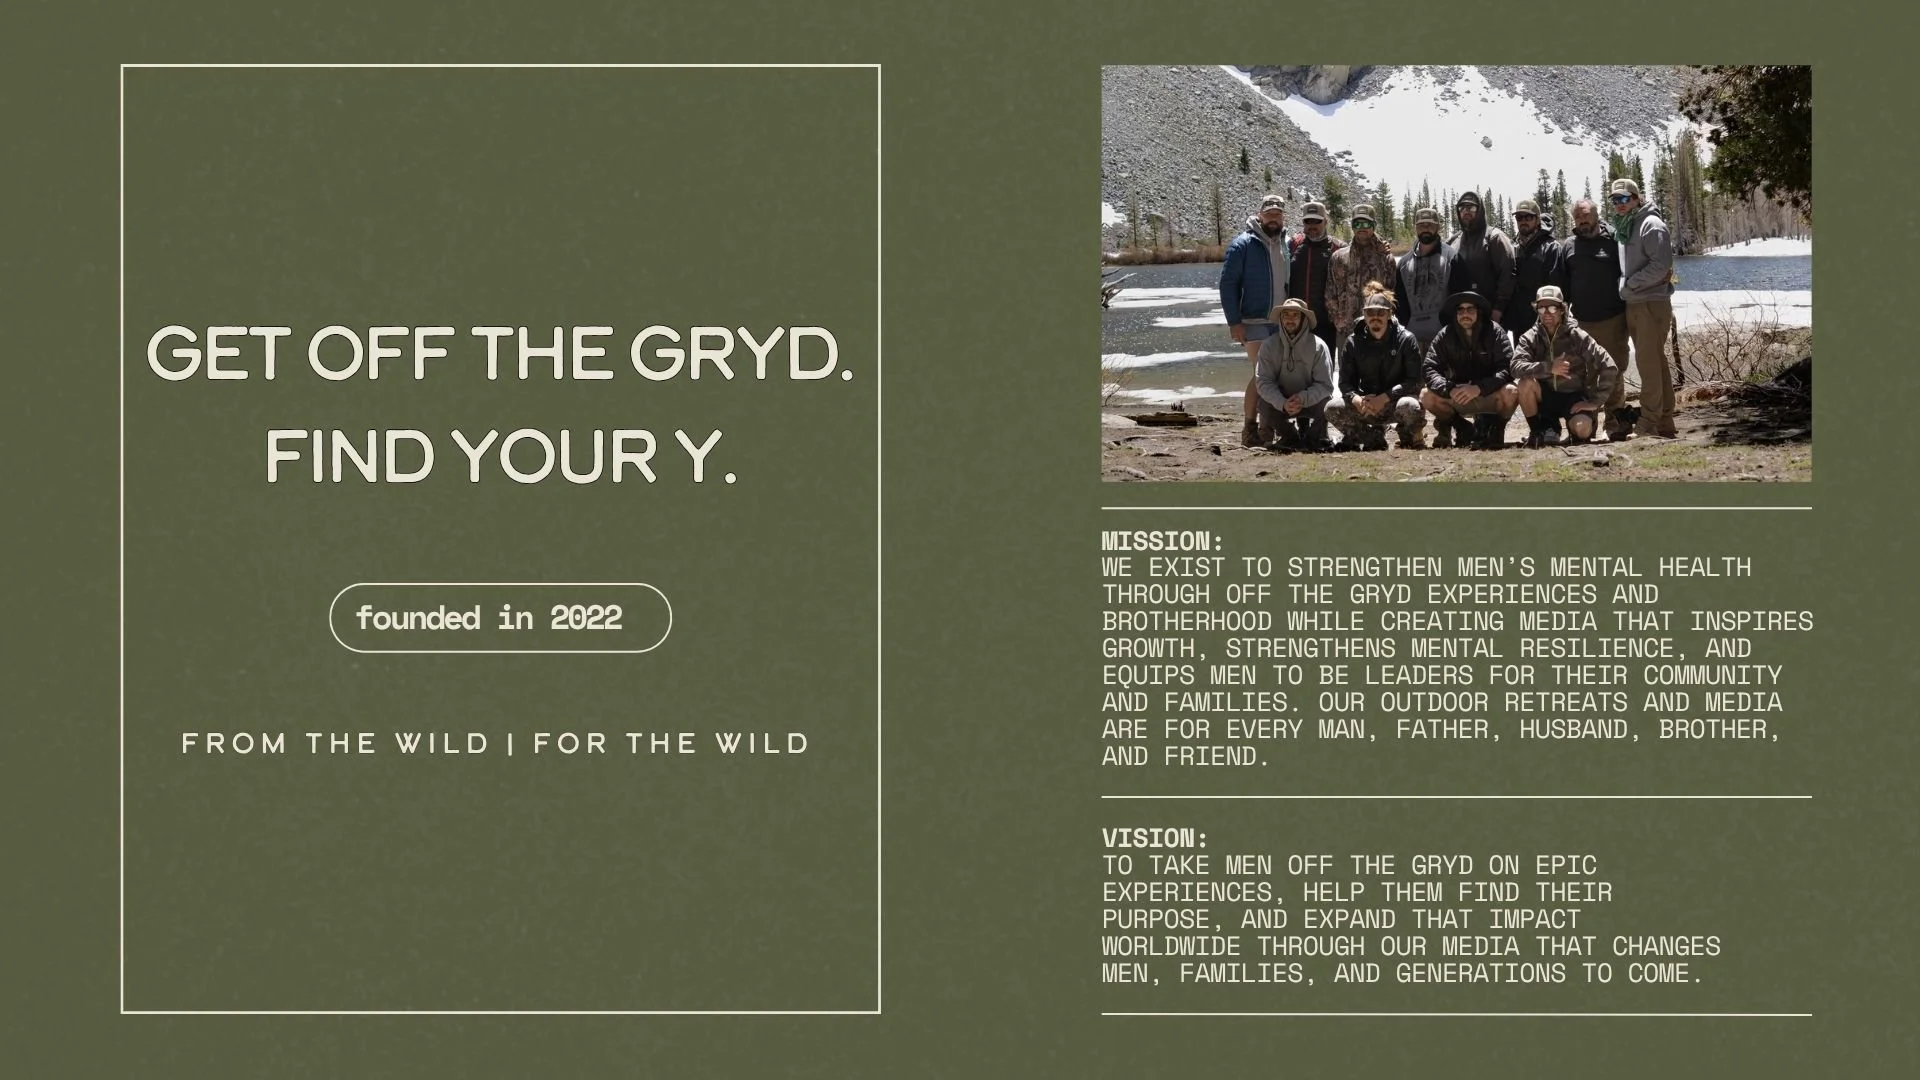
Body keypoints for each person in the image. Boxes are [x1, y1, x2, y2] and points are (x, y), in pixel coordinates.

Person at [1550, 198, 1634, 439]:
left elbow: (1627, 274)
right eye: (1577, 217)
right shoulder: (1568, 246)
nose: (1582, 220)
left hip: (1613, 318)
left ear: (1597, 215)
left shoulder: (1614, 240)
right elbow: (1561, 287)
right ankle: (1588, 424)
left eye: (1585, 215)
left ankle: (1616, 422)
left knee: (1615, 370)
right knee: (1587, 374)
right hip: (1582, 322)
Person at [1219, 194, 1290, 446]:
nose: (1273, 218)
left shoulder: (1286, 243)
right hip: (1253, 320)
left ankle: (1266, 427)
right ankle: (1250, 427)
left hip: (1282, 321)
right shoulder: (1243, 244)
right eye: (1269, 214)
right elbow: (1228, 284)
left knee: (1276, 374)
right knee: (1262, 374)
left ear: (1283, 217)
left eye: (1278, 214)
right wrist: (1233, 322)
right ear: (1260, 215)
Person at [1609, 178, 1678, 438]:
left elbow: (1661, 266)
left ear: (1637, 198)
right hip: (1636, 302)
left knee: (1648, 365)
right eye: (1615, 200)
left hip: (1651, 303)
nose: (1619, 204)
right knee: (1656, 363)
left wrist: (1629, 284)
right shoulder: (1627, 226)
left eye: (1624, 199)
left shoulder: (1652, 225)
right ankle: (1665, 421)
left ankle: (1648, 423)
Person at [1510, 285, 1618, 448]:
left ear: (1562, 309)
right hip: (1544, 397)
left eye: (1553, 307)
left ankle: (1573, 429)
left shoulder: (1577, 336)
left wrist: (1595, 402)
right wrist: (1548, 368)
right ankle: (1538, 431)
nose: (1547, 313)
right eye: (1542, 308)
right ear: (1536, 310)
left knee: (1583, 431)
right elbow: (1515, 367)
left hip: (1572, 397)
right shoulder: (1530, 337)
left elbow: (1609, 365)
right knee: (1524, 384)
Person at [1327, 283, 1425, 451]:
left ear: (1389, 314)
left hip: (1394, 403)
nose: (1375, 317)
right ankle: (1372, 437)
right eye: (1370, 312)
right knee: (1332, 408)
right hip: (1366, 405)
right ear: (1364, 315)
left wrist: (1385, 397)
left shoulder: (1406, 339)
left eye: (1381, 312)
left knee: (1411, 406)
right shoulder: (1353, 341)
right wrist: (1356, 399)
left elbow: (1415, 381)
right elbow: (1344, 383)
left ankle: (1406, 436)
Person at [1420, 291, 1518, 450]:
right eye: (1461, 310)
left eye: (1470, 309)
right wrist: (1449, 388)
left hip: (1488, 393)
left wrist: (1479, 388)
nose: (1465, 314)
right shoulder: (1445, 334)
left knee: (1512, 392)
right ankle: (1462, 427)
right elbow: (1429, 368)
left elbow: (1507, 368)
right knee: (1426, 396)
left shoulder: (1495, 331)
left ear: (1479, 312)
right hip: (1459, 395)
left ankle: (1497, 430)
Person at [1254, 298, 1335, 451]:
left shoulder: (1319, 346)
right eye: (1286, 315)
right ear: (1280, 318)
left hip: (1310, 401)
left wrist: (1302, 399)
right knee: (1263, 404)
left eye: (1295, 315)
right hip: (1282, 401)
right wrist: (1282, 402)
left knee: (1328, 404)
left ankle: (1314, 438)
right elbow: (1263, 382)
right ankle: (1290, 437)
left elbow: (1325, 385)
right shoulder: (1268, 345)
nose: (1290, 319)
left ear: (1304, 319)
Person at [1391, 207, 1473, 353]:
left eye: (1430, 225)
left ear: (1438, 227)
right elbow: (1398, 300)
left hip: (1445, 339)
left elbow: (1462, 298)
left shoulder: (1452, 258)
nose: (1425, 229)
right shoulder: (1403, 263)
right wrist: (1405, 327)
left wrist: (1454, 329)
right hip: (1412, 339)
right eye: (1421, 225)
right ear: (1415, 228)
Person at [1326, 203, 1397, 337]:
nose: (1362, 228)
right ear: (1352, 226)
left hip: (1377, 330)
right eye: (1357, 224)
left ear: (1374, 226)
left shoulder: (1386, 258)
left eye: (1366, 224)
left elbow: (1391, 294)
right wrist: (1337, 319)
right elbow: (1330, 292)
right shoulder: (1338, 257)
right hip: (1347, 330)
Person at [1286, 200, 1345, 360]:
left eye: (1317, 221)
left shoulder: (1338, 248)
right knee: (1295, 370)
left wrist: (1381, 246)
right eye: (1308, 221)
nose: (1312, 225)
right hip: (1296, 321)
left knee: (1325, 369)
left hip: (1326, 323)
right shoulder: (1292, 245)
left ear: (1325, 221)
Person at [1447, 191, 1515, 318]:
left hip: (1489, 314)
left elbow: (1507, 275)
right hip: (1461, 315)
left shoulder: (1495, 238)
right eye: (1462, 207)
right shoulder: (1453, 241)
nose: (1466, 211)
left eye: (1471, 207)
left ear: (1480, 210)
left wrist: (1498, 309)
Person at [1501, 199, 1561, 338]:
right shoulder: (1511, 246)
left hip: (1544, 320)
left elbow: (1557, 285)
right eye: (1519, 217)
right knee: (1522, 358)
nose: (1523, 221)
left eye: (1528, 217)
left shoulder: (1551, 247)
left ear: (1538, 219)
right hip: (1518, 322)